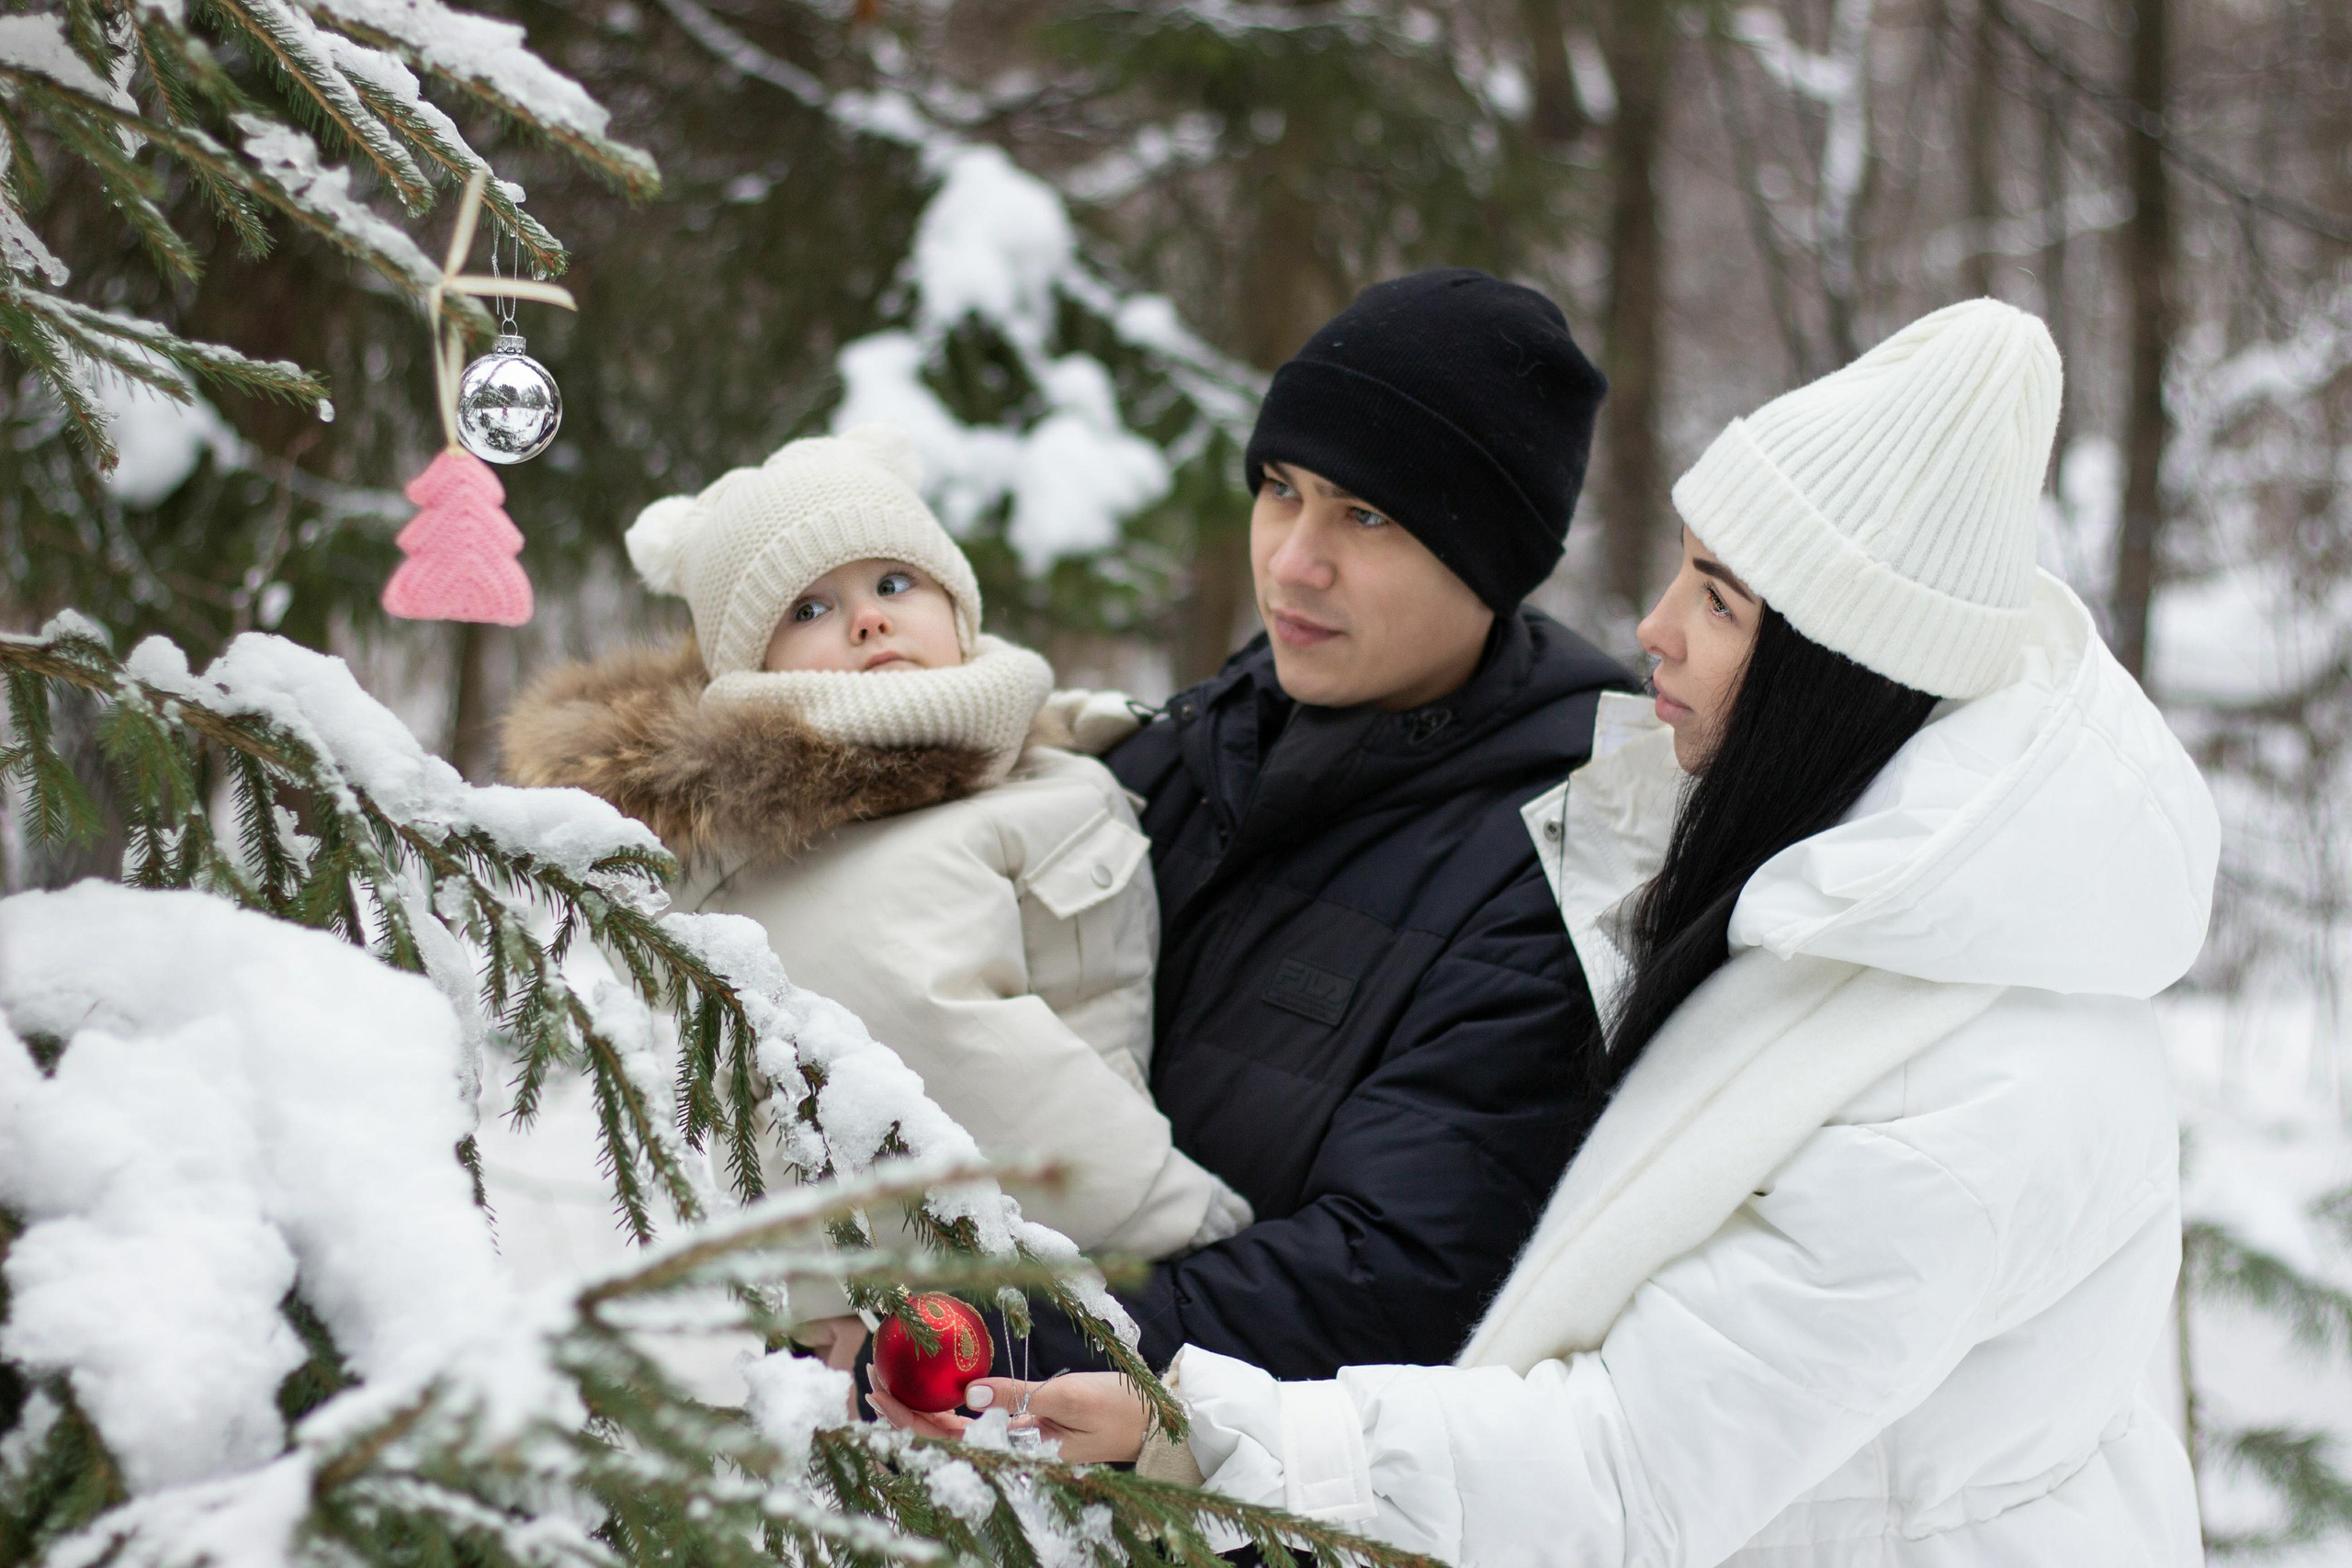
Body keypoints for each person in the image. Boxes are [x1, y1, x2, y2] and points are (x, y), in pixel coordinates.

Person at [874, 300, 2220, 1567]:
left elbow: (1632, 1459)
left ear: (1835, 680)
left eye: (1719, 600)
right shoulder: (1817, 904)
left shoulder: (1971, 1084)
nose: (1653, 631)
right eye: (1277, 487)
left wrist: (1199, 1424)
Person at [892, 267, 1631, 1393]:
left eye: (1366, 515)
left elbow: (1395, 1281)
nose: (1292, 560)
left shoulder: (1550, 861)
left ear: (1489, 559)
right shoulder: (1189, 746)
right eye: (1281, 487)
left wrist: (975, 1341)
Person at [502, 424, 1251, 1368]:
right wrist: (1176, 1218)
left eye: (894, 584)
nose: (868, 620)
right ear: (751, 669)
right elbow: (957, 1061)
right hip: (982, 1315)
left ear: (956, 605)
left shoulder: (1012, 758)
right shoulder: (807, 835)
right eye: (810, 607)